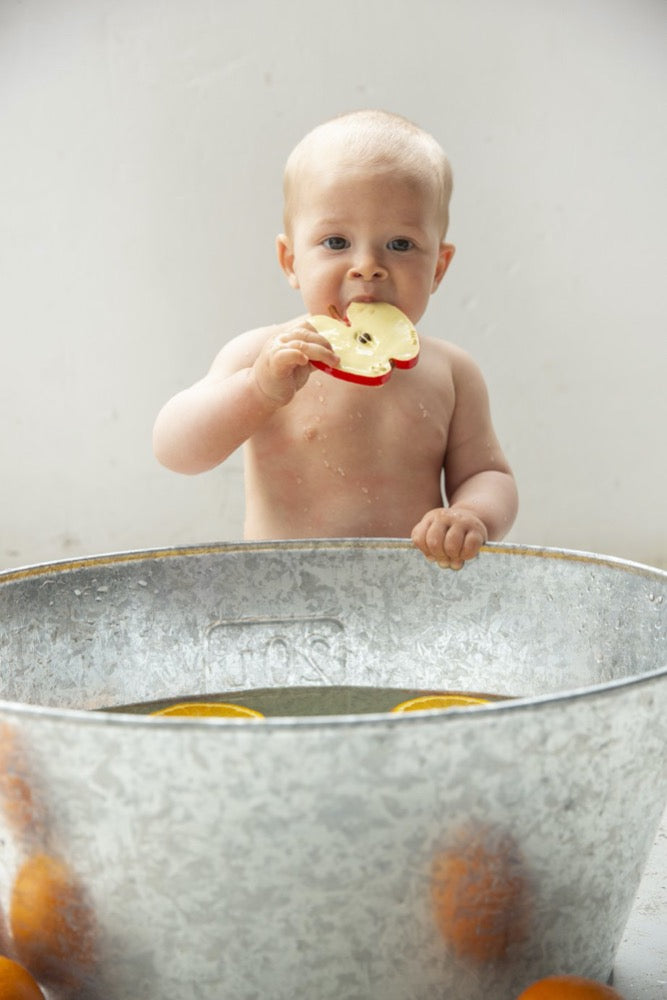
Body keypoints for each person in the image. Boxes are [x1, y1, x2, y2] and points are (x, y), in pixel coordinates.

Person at [153, 110, 518, 569]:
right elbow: (175, 450)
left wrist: (471, 515)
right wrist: (257, 390)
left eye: (400, 244)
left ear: (439, 268)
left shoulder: (450, 372)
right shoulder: (265, 357)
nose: (367, 265)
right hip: (281, 596)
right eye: (336, 242)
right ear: (290, 260)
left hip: (410, 599)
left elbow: (489, 474)